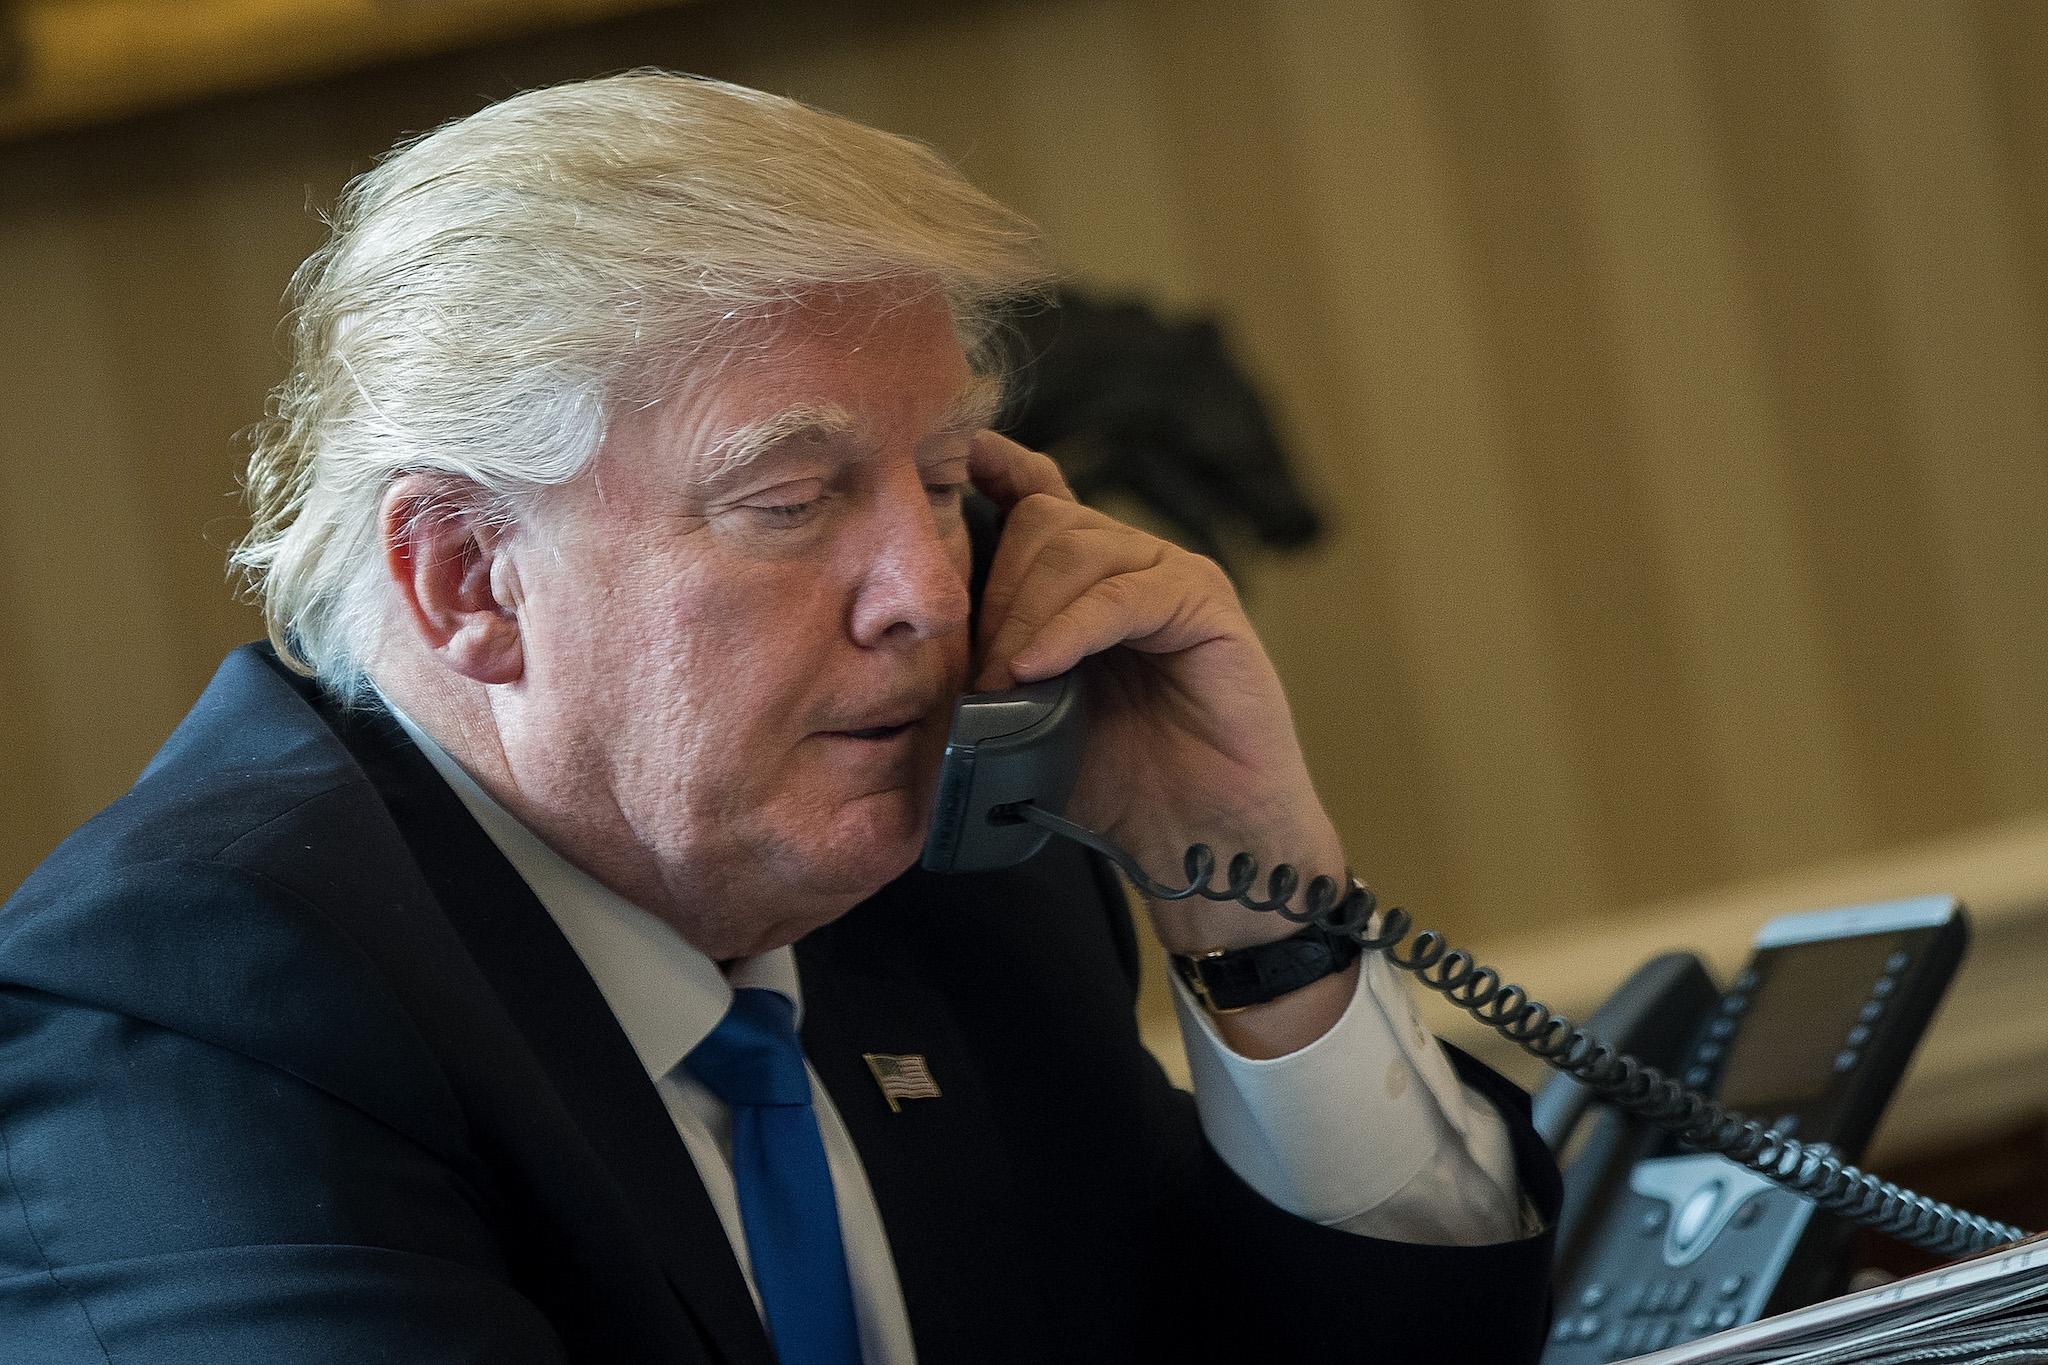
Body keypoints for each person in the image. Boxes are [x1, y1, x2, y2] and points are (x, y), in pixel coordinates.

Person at [0, 72, 1557, 1363]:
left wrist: (1250, 903)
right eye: (794, 499)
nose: (928, 598)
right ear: (468, 577)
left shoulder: (965, 887)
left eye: (947, 486)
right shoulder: (200, 1008)